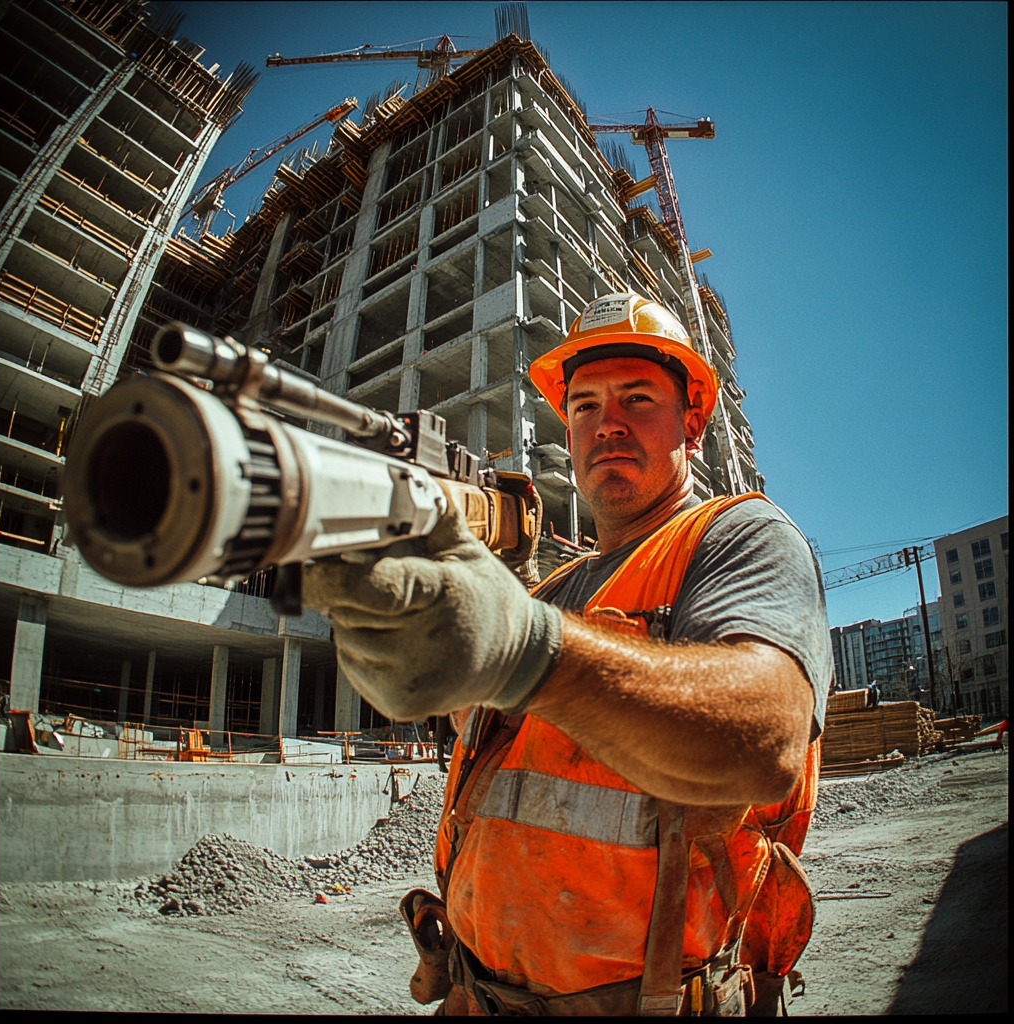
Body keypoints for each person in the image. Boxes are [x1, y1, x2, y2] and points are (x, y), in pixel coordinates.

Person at [303, 292, 832, 1016]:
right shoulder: (553, 589)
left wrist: (527, 649)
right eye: (584, 406)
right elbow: (488, 729)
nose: (606, 423)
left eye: (637, 398)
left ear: (694, 423)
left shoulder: (740, 538)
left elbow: (766, 737)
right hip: (475, 994)